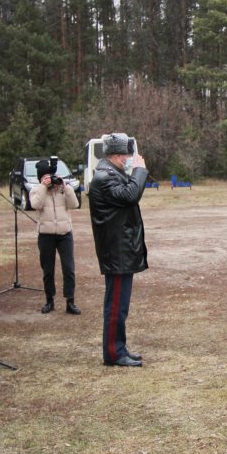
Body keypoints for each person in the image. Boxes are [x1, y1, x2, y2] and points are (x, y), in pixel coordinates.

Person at [89, 133, 148, 367]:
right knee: (115, 305)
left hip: (121, 249)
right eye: (126, 155)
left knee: (120, 305)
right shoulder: (105, 177)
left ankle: (119, 347)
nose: (130, 159)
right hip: (116, 252)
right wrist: (140, 171)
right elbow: (131, 195)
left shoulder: (112, 173)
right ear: (116, 155)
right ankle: (114, 353)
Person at [30, 158, 80, 315]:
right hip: (46, 235)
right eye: (46, 177)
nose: (51, 180)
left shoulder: (61, 189)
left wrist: (66, 188)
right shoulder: (36, 190)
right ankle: (49, 300)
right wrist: (43, 187)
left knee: (69, 268)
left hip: (65, 234)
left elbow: (75, 205)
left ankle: (70, 301)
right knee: (48, 270)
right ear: (41, 179)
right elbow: (35, 205)